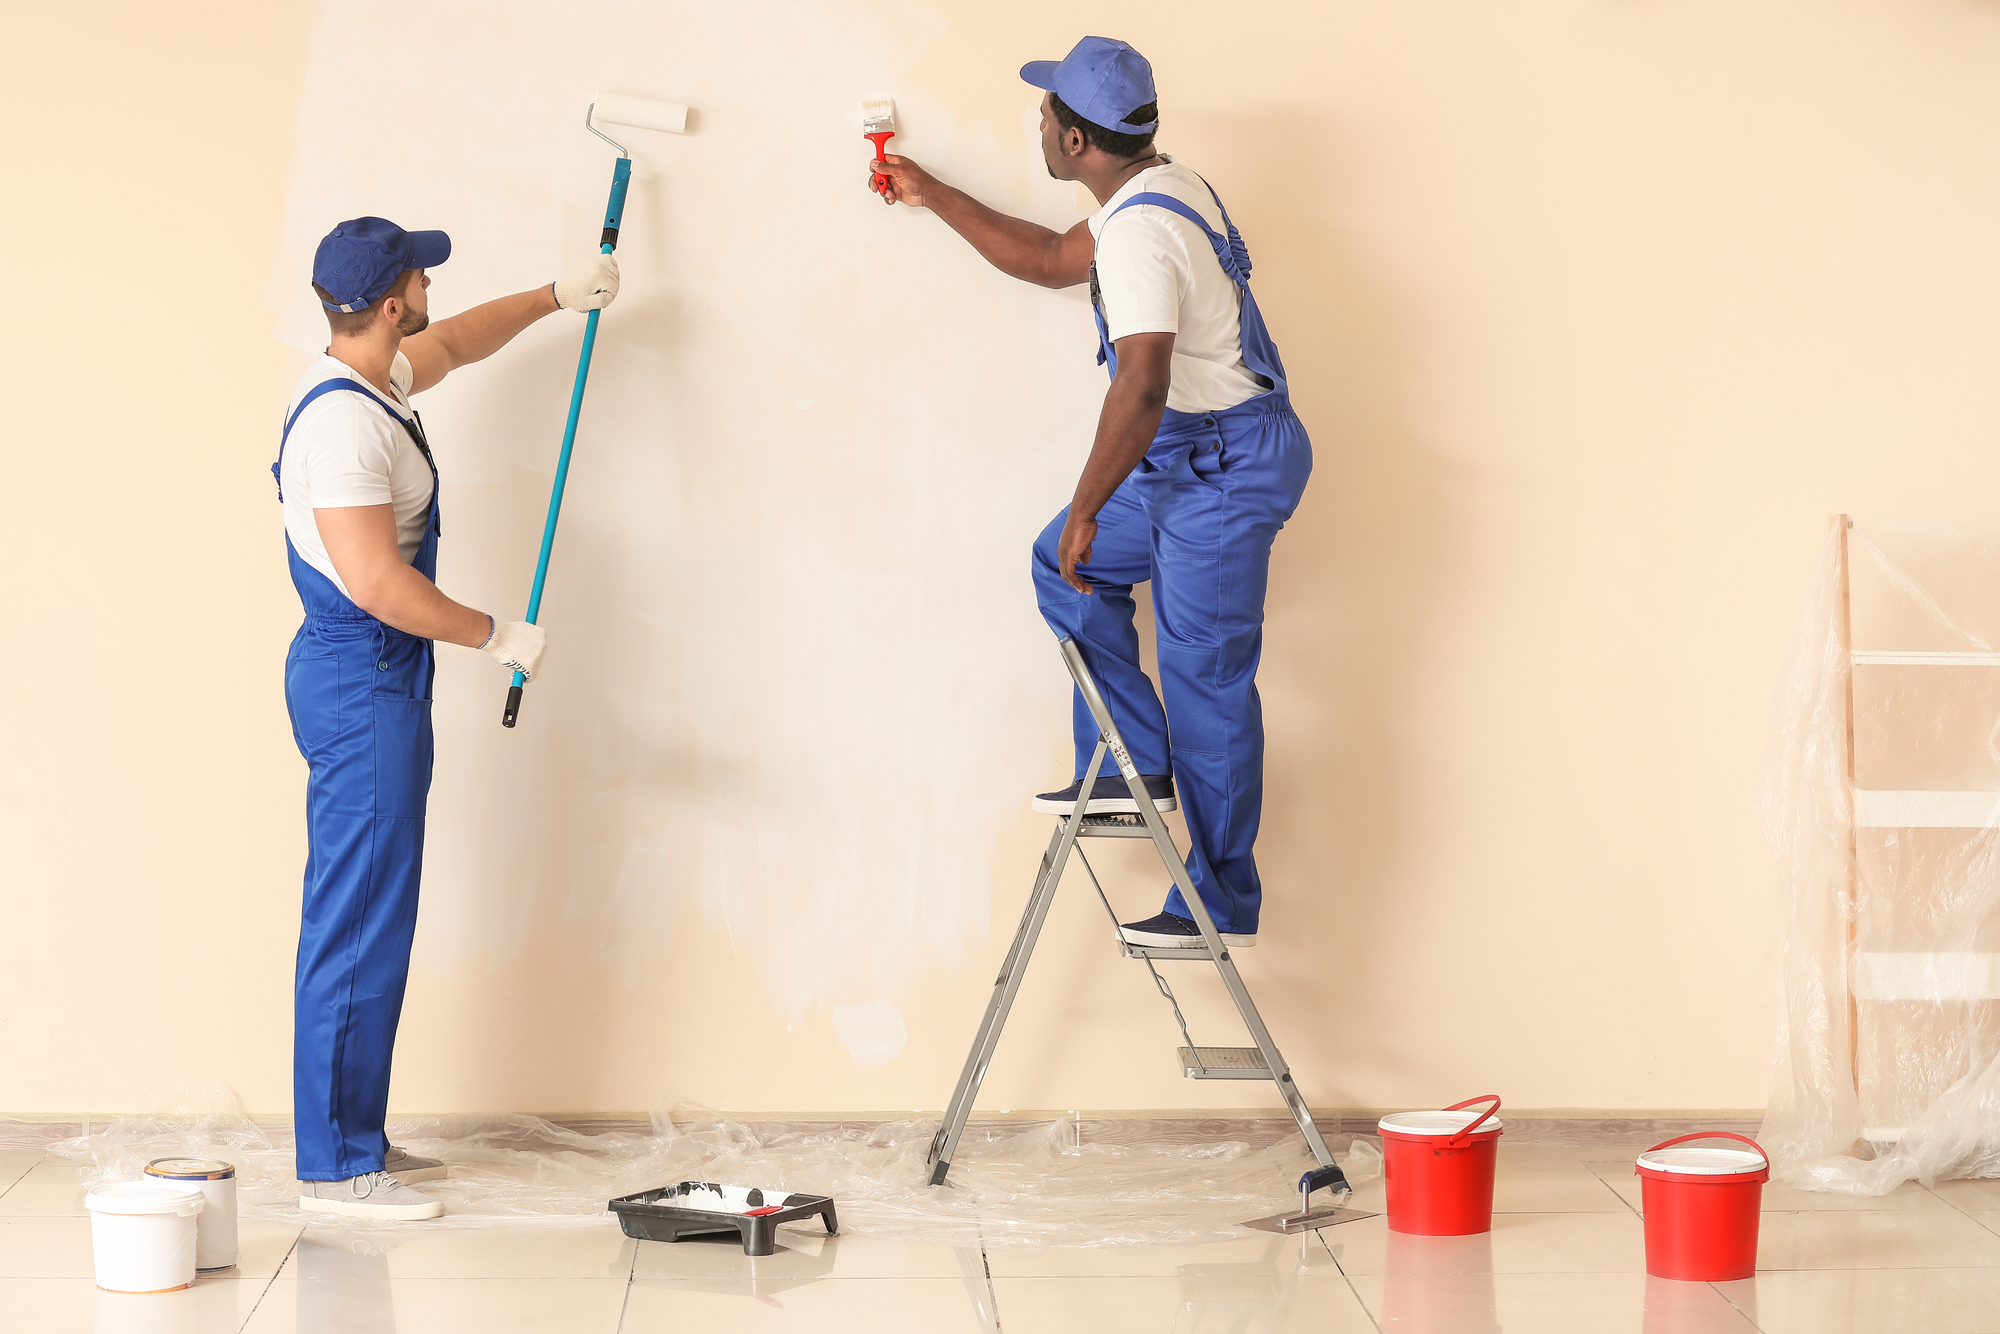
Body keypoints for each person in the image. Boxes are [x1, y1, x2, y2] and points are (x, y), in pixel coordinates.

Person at [871, 38, 1311, 950]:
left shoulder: (1143, 234)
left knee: (1207, 683)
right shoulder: (1154, 190)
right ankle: (1127, 765)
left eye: (1044, 113)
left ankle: (1223, 897)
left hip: (1221, 468)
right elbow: (1044, 257)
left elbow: (1142, 384)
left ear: (1073, 142)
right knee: (1062, 568)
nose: (1036, 121)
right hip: (1194, 456)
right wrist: (932, 192)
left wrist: (1085, 507)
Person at [275, 217, 619, 1219]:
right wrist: (494, 634)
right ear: (389, 302)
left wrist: (559, 295)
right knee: (354, 921)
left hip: (379, 676)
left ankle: (356, 1133)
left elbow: (459, 340)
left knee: (376, 912)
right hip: (362, 677)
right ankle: (335, 1167)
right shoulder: (341, 426)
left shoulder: (372, 376)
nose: (430, 284)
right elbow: (379, 583)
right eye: (418, 274)